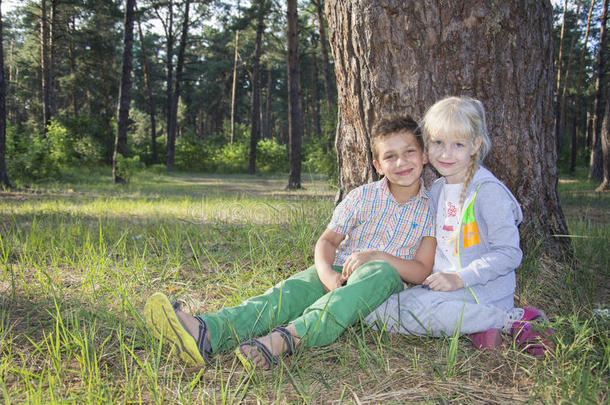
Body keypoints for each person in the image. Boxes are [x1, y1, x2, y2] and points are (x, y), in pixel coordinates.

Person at [144, 116, 437, 369]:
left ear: (424, 156)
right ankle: (207, 332)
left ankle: (288, 338)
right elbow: (328, 240)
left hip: (380, 287)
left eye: (409, 152)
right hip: (340, 271)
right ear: (377, 165)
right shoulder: (363, 196)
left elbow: (422, 269)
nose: (401, 162)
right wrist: (326, 274)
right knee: (284, 294)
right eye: (390, 156)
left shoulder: (430, 208)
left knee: (380, 271)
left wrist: (378, 257)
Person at [365, 96, 554, 357]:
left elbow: (509, 254)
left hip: (482, 291)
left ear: (475, 145)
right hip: (445, 291)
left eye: (458, 144)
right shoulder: (438, 190)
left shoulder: (487, 192)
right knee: (377, 310)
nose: (446, 153)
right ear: (426, 147)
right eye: (438, 143)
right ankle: (476, 326)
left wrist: (459, 278)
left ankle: (510, 320)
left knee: (406, 313)